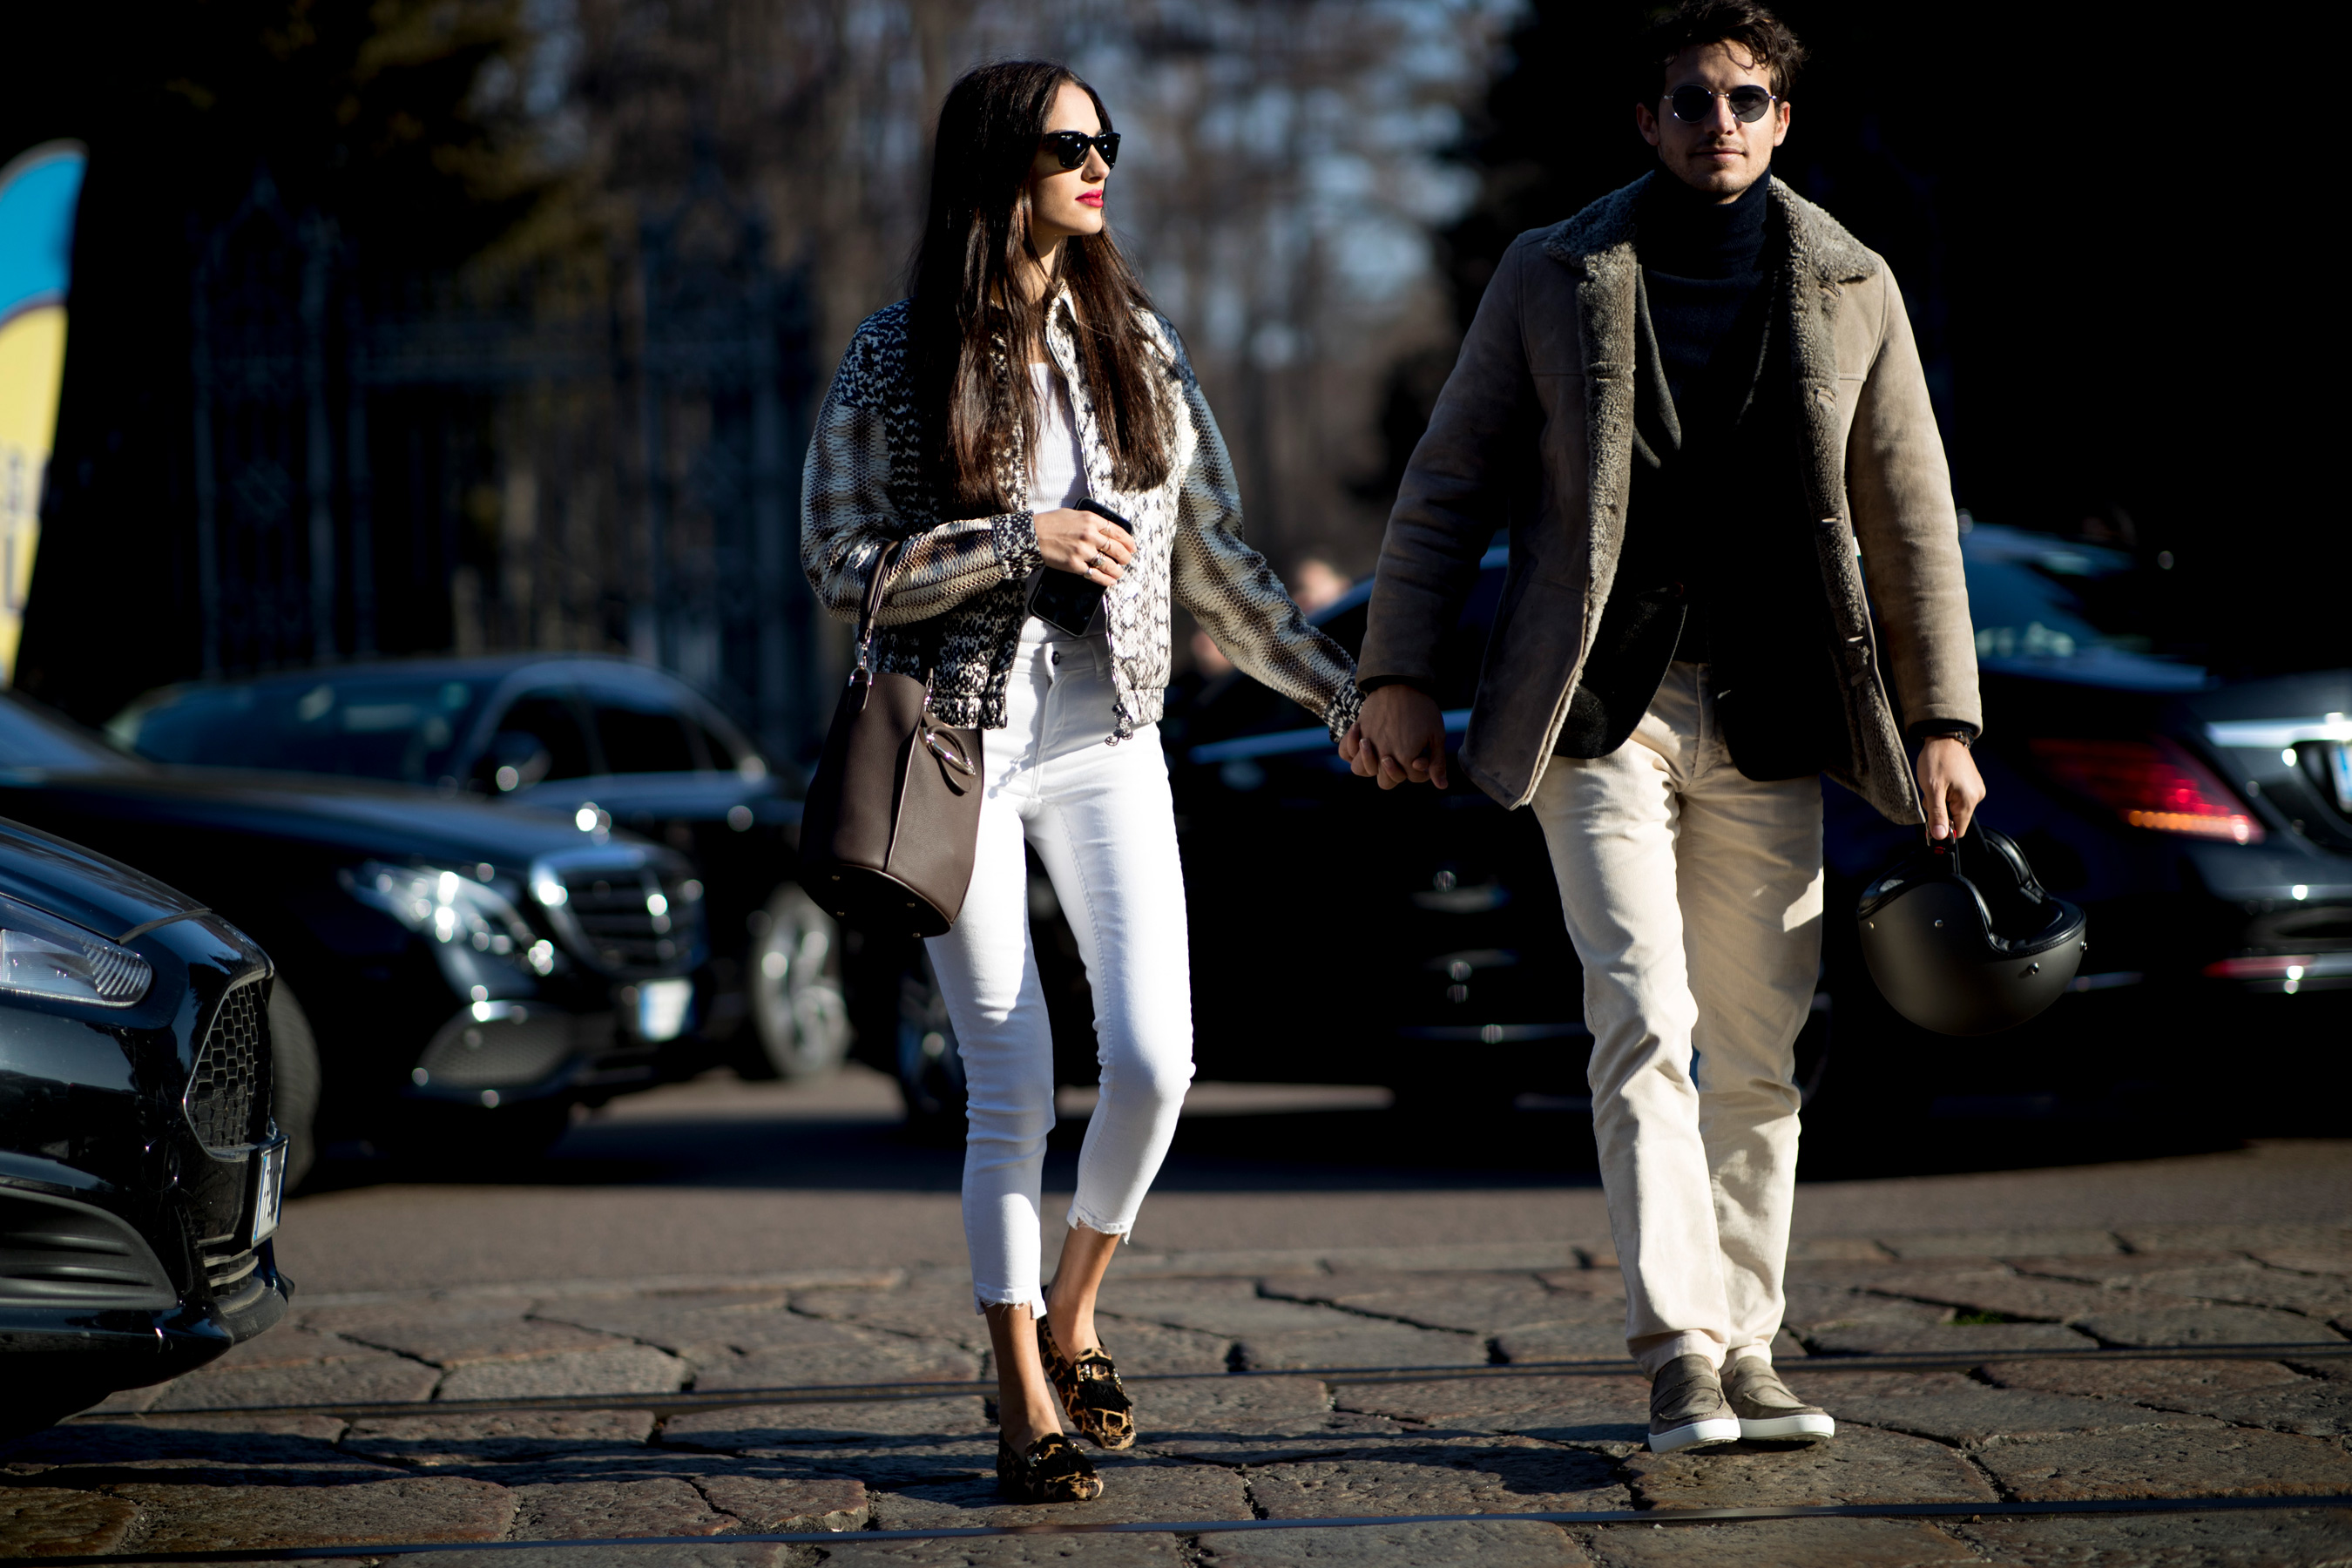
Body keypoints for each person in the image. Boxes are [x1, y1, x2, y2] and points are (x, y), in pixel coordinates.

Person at [1342, 0, 1984, 1455]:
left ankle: (1751, 1345)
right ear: (1647, 120)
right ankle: (1682, 1352)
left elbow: (1912, 515)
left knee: (1758, 1048)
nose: (1719, 123)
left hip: (1774, 712)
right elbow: (1447, 483)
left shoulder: (1853, 282)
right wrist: (1398, 673)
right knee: (1642, 1017)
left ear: (1784, 120)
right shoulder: (1555, 270)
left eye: (1747, 99)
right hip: (1596, 712)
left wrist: (1943, 718)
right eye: (1690, 100)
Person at [801, 60, 1361, 1504]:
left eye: (1106, 140)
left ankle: (1073, 1307)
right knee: (1012, 1086)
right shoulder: (897, 350)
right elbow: (836, 557)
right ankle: (1020, 1394)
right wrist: (1014, 543)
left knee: (1160, 1063)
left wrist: (1339, 694)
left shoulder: (1139, 345)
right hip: (959, 749)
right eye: (1069, 145)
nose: (1098, 164)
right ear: (1000, 169)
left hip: (1111, 740)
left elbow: (1215, 557)